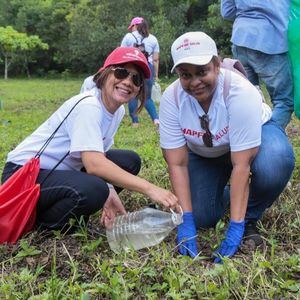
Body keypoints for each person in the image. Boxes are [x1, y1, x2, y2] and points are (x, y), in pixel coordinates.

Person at [1, 46, 178, 233]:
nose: (127, 82)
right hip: (23, 175)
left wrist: (110, 190)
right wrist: (150, 189)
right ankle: (45, 225)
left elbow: (99, 155)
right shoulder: (89, 105)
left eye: (136, 79)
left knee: (129, 161)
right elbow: (94, 165)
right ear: (105, 74)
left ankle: (77, 205)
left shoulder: (117, 110)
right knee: (94, 189)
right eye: (121, 72)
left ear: (139, 89)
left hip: (59, 171)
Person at [159, 32, 295, 261]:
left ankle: (248, 215)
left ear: (217, 64)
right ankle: (229, 197)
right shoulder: (171, 98)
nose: (194, 82)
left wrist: (236, 227)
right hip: (206, 152)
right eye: (185, 75)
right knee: (202, 216)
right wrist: (187, 220)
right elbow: (177, 163)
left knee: (276, 161)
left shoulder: (239, 92)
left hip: (254, 138)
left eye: (202, 72)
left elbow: (241, 164)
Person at [221, 0, 293, 129]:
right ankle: (267, 138)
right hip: (272, 40)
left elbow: (227, 12)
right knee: (284, 102)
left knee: (247, 98)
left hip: (241, 39)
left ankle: (247, 141)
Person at [121, 17, 160, 127]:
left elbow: (121, 53)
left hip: (132, 67)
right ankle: (156, 120)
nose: (131, 29)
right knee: (147, 97)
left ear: (135, 26)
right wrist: (155, 75)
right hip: (148, 67)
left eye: (131, 27)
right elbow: (156, 59)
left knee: (132, 95)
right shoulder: (153, 39)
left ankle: (135, 122)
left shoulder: (128, 37)